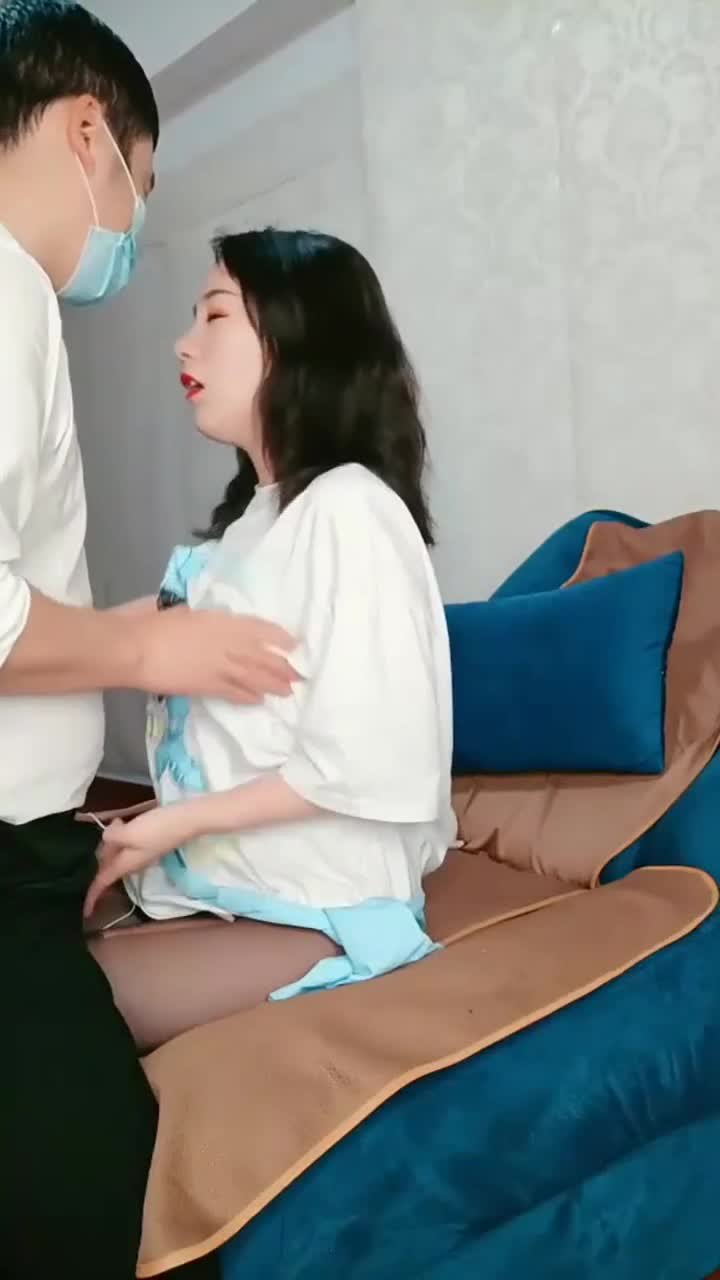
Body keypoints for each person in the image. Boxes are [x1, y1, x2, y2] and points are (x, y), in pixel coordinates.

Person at [0, 5, 295, 1278]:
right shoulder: (6, 292)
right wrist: (143, 656)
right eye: (140, 182)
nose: (181, 337)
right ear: (86, 135)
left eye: (216, 314)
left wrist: (131, 642)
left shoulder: (341, 524)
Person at [82, 228, 457, 1053]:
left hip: (318, 908)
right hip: (219, 884)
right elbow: (138, 641)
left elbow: (372, 759)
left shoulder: (351, 509)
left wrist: (175, 824)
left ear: (298, 338)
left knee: (41, 1010)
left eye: (215, 315)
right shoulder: (254, 524)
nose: (183, 344)